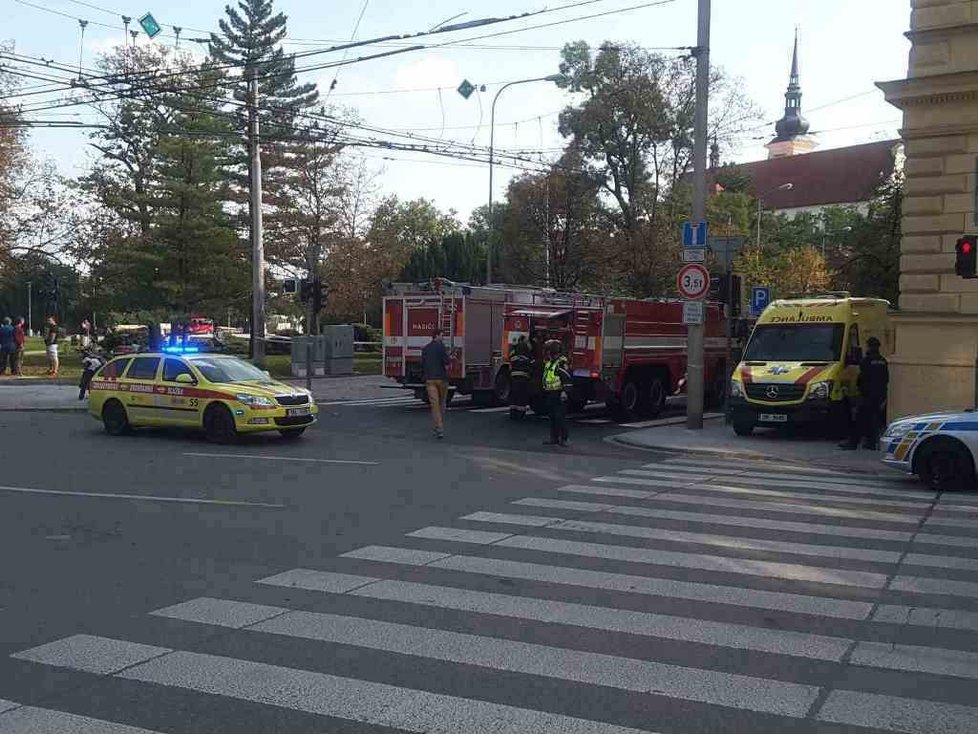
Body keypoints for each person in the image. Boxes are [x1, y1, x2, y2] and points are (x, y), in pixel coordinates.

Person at [840, 336, 889, 450]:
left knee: (859, 419)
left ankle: (853, 443)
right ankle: (870, 443)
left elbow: (862, 378)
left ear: (869, 346)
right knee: (872, 419)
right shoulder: (883, 361)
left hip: (867, 395)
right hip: (879, 395)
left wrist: (859, 390)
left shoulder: (867, 360)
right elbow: (886, 379)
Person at [421, 328, 451, 439]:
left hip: (429, 380)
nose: (443, 338)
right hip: (441, 379)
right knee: (442, 402)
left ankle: (438, 427)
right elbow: (447, 363)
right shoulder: (441, 347)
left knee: (434, 405)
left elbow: (422, 364)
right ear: (437, 336)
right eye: (442, 335)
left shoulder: (426, 349)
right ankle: (439, 424)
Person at [542, 339, 572, 447]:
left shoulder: (561, 363)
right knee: (552, 417)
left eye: (548, 351)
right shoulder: (550, 363)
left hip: (559, 394)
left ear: (552, 352)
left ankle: (564, 439)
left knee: (560, 417)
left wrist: (565, 392)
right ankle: (554, 438)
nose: (546, 353)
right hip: (550, 393)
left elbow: (567, 379)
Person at [508, 336, 533, 418]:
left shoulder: (514, 352)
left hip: (514, 377)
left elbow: (511, 358)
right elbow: (531, 363)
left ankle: (513, 412)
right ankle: (520, 414)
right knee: (522, 396)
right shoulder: (527, 352)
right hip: (523, 377)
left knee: (514, 395)